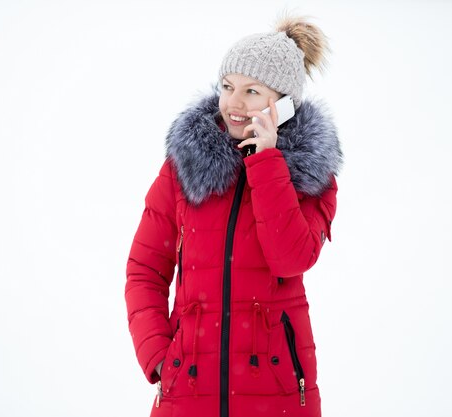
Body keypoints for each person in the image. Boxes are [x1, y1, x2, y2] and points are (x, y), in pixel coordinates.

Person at [125, 14, 343, 417]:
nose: (234, 103)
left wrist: (268, 164)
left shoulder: (311, 175)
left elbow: (291, 257)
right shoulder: (185, 166)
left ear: (283, 103)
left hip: (275, 394)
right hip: (186, 389)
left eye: (251, 91)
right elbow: (145, 268)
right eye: (228, 87)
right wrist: (158, 354)